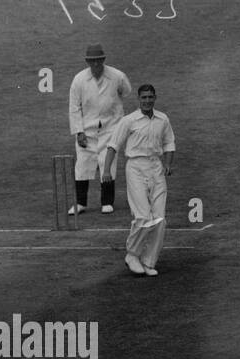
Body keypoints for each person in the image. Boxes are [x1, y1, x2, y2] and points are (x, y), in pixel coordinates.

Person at [103, 84, 175, 276]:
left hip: (156, 168)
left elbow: (169, 143)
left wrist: (168, 163)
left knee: (159, 219)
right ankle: (132, 254)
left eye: (150, 97)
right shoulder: (129, 120)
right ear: (139, 99)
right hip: (135, 167)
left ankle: (148, 261)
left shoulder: (163, 119)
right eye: (144, 97)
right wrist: (106, 171)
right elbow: (113, 145)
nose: (147, 101)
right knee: (143, 216)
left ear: (155, 97)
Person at [68, 44, 132, 216]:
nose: (95, 64)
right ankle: (80, 203)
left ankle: (107, 202)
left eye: (98, 60)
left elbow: (126, 91)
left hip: (111, 127)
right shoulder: (79, 79)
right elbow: (74, 107)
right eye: (92, 61)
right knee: (82, 165)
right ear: (87, 61)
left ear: (103, 59)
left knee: (107, 164)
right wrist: (78, 132)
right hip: (86, 130)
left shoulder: (117, 76)